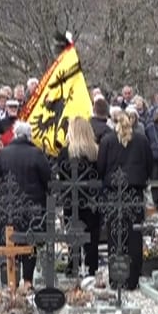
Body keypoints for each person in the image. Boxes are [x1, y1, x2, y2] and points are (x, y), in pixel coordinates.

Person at [98, 113, 153, 290]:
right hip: (134, 191)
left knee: (114, 234)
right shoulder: (142, 140)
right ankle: (133, 279)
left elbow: (101, 166)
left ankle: (116, 278)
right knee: (134, 234)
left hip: (113, 192)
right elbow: (149, 164)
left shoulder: (107, 141)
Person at [0, 121, 52, 288]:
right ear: (29, 135)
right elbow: (47, 179)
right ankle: (27, 281)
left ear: (15, 134)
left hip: (9, 204)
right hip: (32, 205)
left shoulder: (3, 153)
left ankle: (12, 280)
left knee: (11, 242)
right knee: (29, 242)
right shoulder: (37, 154)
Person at [56, 117, 103, 275]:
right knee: (92, 235)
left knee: (72, 233)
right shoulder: (96, 152)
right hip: (92, 200)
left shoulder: (65, 152)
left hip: (71, 199)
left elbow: (61, 177)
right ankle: (92, 268)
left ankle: (73, 265)